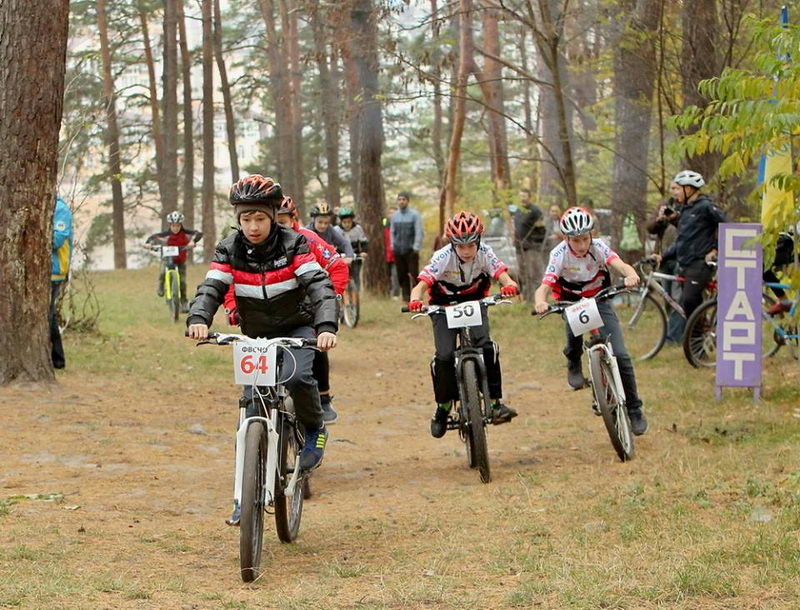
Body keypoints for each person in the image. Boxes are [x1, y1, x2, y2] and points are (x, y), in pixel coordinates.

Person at [186, 175, 338, 525]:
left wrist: (326, 326)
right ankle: (243, 497)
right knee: (250, 407)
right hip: (256, 335)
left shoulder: (295, 244)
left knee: (298, 376)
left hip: (298, 326)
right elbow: (212, 286)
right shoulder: (229, 248)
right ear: (238, 219)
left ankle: (314, 429)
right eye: (246, 219)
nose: (253, 226)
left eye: (259, 218)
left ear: (272, 216)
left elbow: (319, 285)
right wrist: (199, 318)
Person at [222, 196, 348, 425]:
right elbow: (233, 279)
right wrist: (232, 307)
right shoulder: (245, 245)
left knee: (317, 344)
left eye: (282, 222)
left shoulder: (307, 239)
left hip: (308, 306)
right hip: (264, 315)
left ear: (293, 219)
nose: (277, 227)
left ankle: (323, 397)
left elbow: (337, 267)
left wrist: (331, 301)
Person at [534, 206, 648, 436]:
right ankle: (573, 360)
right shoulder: (558, 254)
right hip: (571, 301)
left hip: (599, 298)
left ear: (591, 235)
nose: (582, 245)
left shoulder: (599, 247)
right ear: (566, 238)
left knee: (621, 355)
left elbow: (619, 264)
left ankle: (634, 409)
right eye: (576, 241)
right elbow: (544, 286)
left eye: (585, 239)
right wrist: (540, 302)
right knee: (573, 331)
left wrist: (631, 274)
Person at [408, 211, 520, 438]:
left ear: (478, 241)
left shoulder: (485, 252)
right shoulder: (442, 256)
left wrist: (509, 284)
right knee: (444, 356)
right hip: (443, 306)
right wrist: (415, 299)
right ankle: (443, 407)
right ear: (452, 244)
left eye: (471, 245)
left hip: (475, 303)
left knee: (487, 347)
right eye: (461, 246)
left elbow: (501, 273)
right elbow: (421, 284)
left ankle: (495, 402)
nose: (466, 251)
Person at [654, 170, 728, 324]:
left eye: (678, 189)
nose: (675, 193)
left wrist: (716, 249)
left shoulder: (706, 206)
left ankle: (698, 332)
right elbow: (682, 240)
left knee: (689, 300)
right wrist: (663, 256)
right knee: (690, 306)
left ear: (688, 189)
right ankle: (698, 334)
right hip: (684, 264)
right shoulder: (685, 209)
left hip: (699, 264)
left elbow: (727, 227)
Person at [646, 181, 683, 343]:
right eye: (672, 188)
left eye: (677, 188)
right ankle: (675, 331)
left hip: (680, 259)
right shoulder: (665, 205)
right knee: (667, 298)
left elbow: (687, 229)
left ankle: (674, 337)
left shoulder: (687, 208)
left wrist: (675, 217)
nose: (674, 191)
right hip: (664, 258)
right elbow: (650, 227)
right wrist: (659, 219)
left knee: (677, 298)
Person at [145, 211, 203, 313]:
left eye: (178, 226)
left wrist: (193, 242)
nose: (175, 228)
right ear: (170, 225)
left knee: (182, 282)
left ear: (181, 225)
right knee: (163, 271)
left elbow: (198, 234)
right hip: (167, 259)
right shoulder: (165, 235)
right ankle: (161, 285)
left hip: (180, 261)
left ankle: (184, 302)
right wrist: (149, 244)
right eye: (173, 226)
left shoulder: (186, 233)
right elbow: (153, 238)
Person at [50, 196, 73, 370]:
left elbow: (57, 240)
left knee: (47, 315)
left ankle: (58, 359)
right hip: (42, 270)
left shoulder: (60, 209)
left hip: (54, 270)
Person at [512, 189, 547, 297]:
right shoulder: (518, 210)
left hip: (532, 248)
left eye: (524, 196)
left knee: (534, 273)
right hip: (519, 247)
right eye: (521, 196)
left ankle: (538, 297)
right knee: (523, 273)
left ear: (529, 197)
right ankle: (527, 297)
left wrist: (533, 242)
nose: (522, 198)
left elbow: (542, 230)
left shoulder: (535, 211)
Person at [391, 191, 424, 301]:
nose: (401, 202)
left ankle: (416, 297)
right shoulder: (395, 216)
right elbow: (392, 232)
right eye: (399, 199)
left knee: (413, 274)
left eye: (403, 199)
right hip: (398, 250)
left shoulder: (414, 215)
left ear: (407, 201)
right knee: (401, 275)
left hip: (411, 250)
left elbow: (419, 231)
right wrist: (392, 245)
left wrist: (416, 247)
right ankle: (406, 297)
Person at [338, 207, 369, 292]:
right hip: (342, 255)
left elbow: (363, 241)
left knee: (356, 275)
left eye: (349, 222)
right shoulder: (336, 230)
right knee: (343, 276)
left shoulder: (358, 228)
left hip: (355, 255)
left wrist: (364, 251)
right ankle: (343, 294)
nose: (347, 224)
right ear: (341, 222)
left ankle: (357, 294)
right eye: (344, 222)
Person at [383, 207, 400, 298]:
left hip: (395, 256)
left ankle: (395, 294)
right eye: (390, 213)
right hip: (385, 255)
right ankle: (387, 292)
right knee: (386, 275)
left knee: (395, 275)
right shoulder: (385, 225)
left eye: (394, 213)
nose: (392, 215)